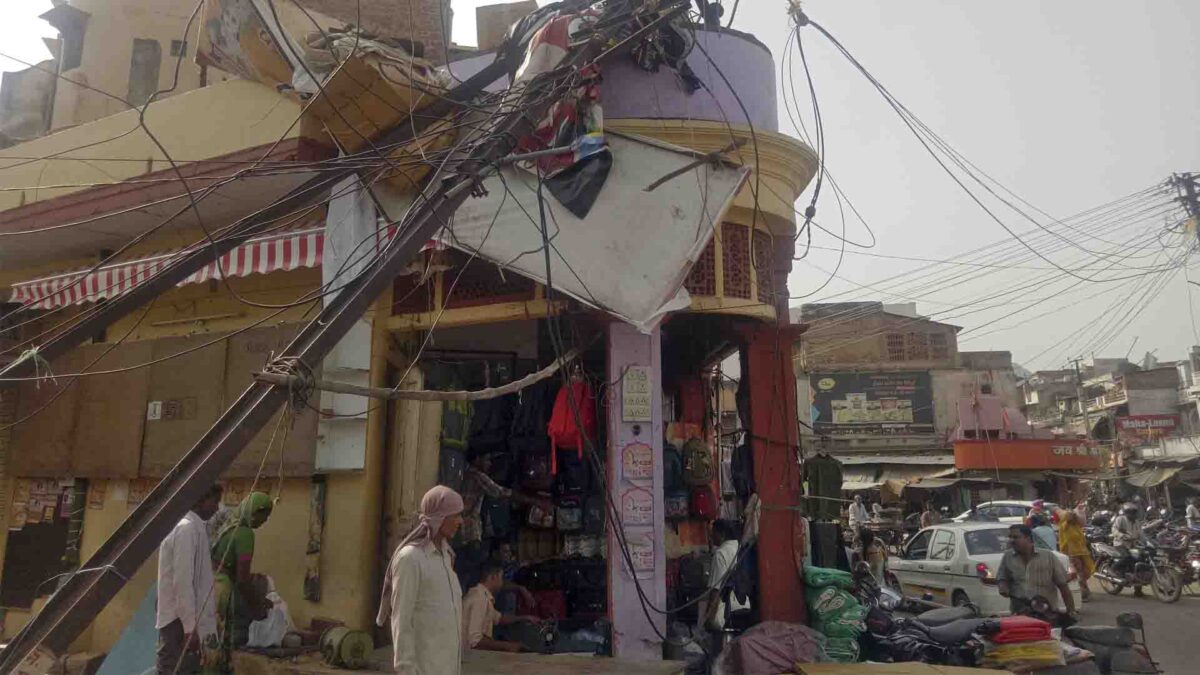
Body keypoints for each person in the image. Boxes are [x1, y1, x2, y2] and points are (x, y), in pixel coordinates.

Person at [377, 486, 466, 675]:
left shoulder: (446, 556)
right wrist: (406, 669)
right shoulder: (411, 559)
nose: (461, 521)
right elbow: (401, 620)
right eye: (455, 515)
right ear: (439, 517)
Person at [156, 484, 222, 675]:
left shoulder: (195, 527)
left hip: (186, 620)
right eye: (214, 502)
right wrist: (189, 628)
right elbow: (182, 582)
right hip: (179, 622)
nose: (216, 508)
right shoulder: (186, 529)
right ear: (201, 499)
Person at [212, 491, 274, 665]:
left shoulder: (229, 525)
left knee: (210, 642)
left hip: (211, 583)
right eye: (264, 515)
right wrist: (258, 605)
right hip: (223, 588)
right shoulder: (245, 534)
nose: (265, 521)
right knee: (226, 643)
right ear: (255, 512)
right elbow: (242, 579)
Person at [996, 524, 1077, 617]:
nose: (1012, 540)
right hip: (1019, 614)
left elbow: (1063, 586)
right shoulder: (1008, 556)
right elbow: (1002, 577)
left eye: (1016, 537)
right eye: (1010, 537)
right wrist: (1003, 586)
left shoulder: (1048, 556)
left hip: (1047, 613)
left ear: (1028, 538)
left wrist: (1071, 611)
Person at [462, 561, 540, 653]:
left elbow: (498, 618)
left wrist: (524, 618)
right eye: (501, 578)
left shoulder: (483, 596)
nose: (502, 582)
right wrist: (508, 646)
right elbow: (475, 641)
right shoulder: (479, 599)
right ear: (493, 577)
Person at [700, 521, 749, 647]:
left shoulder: (721, 553)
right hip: (746, 607)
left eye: (713, 533)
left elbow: (716, 590)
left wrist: (709, 618)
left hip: (729, 613)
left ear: (721, 534)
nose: (711, 536)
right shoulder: (740, 548)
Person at [1057, 508, 1095, 603]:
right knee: (1078, 573)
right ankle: (1083, 593)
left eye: (1073, 516)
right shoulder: (1065, 526)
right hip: (1072, 554)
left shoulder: (1076, 526)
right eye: (1071, 516)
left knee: (1083, 572)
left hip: (1081, 553)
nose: (1073, 517)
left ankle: (1084, 592)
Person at [1111, 502, 1145, 596]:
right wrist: (1121, 536)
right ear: (1126, 512)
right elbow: (1114, 530)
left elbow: (1141, 534)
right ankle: (1115, 568)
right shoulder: (1120, 519)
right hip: (1120, 544)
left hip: (1133, 545)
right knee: (1128, 557)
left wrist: (1146, 542)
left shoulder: (1137, 522)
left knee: (1140, 562)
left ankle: (1137, 590)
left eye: (1134, 512)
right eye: (1130, 512)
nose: (1132, 514)